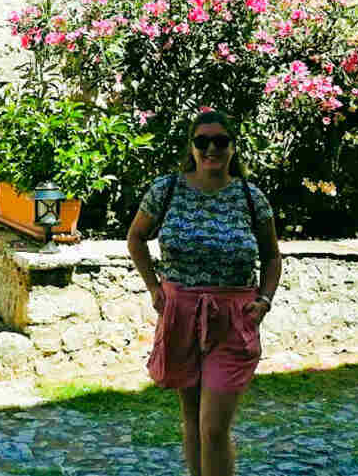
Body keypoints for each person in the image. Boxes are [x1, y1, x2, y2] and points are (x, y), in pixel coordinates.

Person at [126, 108, 282, 476]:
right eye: (203, 141)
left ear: (233, 147)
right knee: (193, 420)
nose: (212, 148)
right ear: (192, 147)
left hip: (233, 317)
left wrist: (264, 300)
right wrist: (154, 287)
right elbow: (135, 238)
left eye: (220, 141)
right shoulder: (166, 189)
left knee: (213, 427)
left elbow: (272, 256)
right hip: (181, 313)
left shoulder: (250, 196)